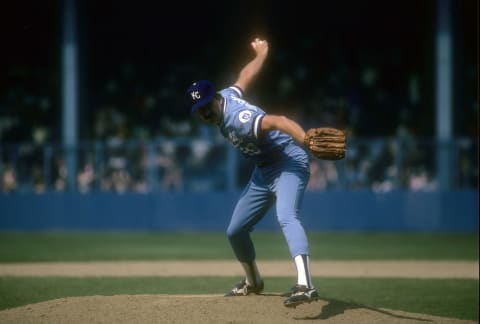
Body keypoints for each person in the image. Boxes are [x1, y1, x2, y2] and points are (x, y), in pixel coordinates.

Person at [186, 37, 318, 307]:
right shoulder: (228, 96)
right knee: (235, 230)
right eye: (199, 110)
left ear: (216, 100)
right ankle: (253, 282)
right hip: (264, 171)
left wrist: (305, 140)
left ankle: (306, 284)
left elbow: (278, 121)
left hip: (288, 162)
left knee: (287, 216)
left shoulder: (239, 119)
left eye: (206, 107)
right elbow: (244, 76)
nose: (203, 114)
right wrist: (261, 54)